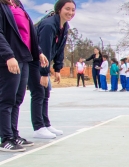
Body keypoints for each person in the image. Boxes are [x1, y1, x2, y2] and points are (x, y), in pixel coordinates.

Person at [0, 0, 48, 152]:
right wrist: (8, 55)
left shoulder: (17, 4)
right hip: (10, 58)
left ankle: (13, 134)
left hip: (23, 57)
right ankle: (6, 138)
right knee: (6, 99)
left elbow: (28, 32)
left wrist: (38, 51)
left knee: (17, 99)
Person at [28, 0, 75, 139]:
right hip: (33, 61)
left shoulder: (64, 25)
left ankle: (46, 124)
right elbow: (45, 49)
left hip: (43, 63)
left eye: (73, 10)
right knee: (38, 93)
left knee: (46, 93)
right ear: (59, 9)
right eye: (67, 9)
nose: (70, 13)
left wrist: (58, 68)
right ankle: (38, 127)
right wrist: (44, 73)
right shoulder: (49, 25)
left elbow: (59, 49)